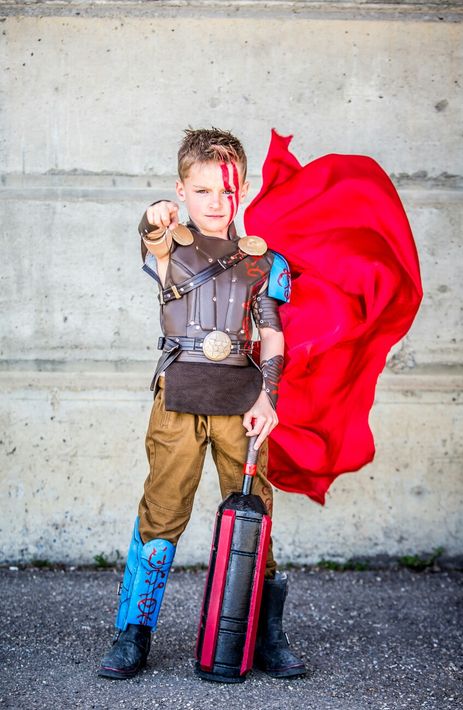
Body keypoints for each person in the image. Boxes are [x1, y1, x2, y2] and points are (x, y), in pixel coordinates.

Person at [98, 128, 305, 681]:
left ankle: (265, 634)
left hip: (242, 400)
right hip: (179, 397)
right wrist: (153, 214)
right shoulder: (171, 242)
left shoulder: (265, 261)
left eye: (228, 190)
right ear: (182, 190)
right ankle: (134, 633)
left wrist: (270, 396)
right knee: (162, 511)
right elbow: (148, 232)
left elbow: (274, 336)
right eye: (203, 190)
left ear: (244, 189)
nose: (217, 203)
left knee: (254, 514)